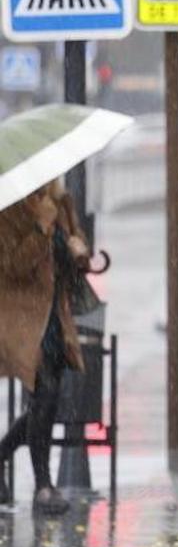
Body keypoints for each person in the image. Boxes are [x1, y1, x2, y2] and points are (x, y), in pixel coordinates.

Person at [0, 181, 92, 513]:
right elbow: (12, 264)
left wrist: (79, 248)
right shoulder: (9, 207)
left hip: (56, 318)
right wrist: (40, 227)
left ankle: (3, 454)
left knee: (47, 401)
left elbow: (74, 255)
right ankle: (43, 486)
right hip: (23, 321)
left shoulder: (62, 202)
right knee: (45, 393)